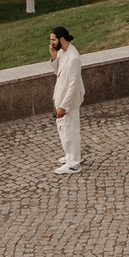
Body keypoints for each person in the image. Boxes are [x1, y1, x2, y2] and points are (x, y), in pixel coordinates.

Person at [49, 26, 84, 175]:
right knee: (63, 129)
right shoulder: (63, 52)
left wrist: (63, 106)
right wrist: (53, 57)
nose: (51, 43)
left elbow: (73, 85)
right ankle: (71, 156)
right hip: (62, 97)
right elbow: (58, 72)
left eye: (53, 40)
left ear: (61, 39)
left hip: (69, 101)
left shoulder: (73, 58)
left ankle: (74, 164)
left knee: (70, 131)